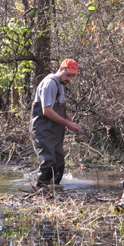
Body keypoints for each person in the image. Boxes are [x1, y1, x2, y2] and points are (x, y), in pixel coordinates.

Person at [30, 59, 82, 188]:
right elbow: (47, 110)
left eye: (72, 76)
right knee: (48, 162)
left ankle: (55, 192)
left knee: (58, 164)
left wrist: (69, 120)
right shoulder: (50, 84)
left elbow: (58, 108)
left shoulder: (61, 84)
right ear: (60, 69)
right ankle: (40, 192)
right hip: (42, 130)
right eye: (68, 74)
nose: (69, 79)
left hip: (55, 131)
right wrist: (67, 123)